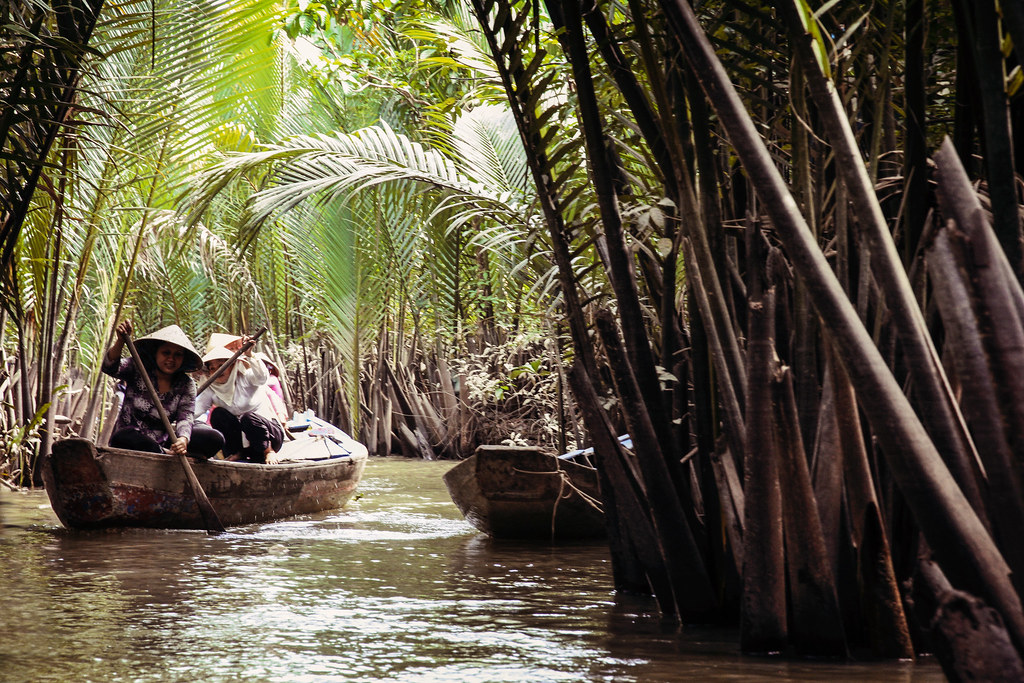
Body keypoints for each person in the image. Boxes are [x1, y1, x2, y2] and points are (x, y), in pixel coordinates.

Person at [103, 320, 219, 457]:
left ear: (183, 358)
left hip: (163, 441)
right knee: (124, 436)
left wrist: (183, 439)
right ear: (156, 353)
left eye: (177, 355)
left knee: (214, 438)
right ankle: (162, 453)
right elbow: (109, 367)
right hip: (131, 439)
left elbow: (186, 416)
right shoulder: (138, 367)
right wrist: (120, 342)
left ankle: (171, 451)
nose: (171, 359)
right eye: (166, 353)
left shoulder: (186, 384)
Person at [194, 336, 284, 464]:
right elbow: (195, 410)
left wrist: (250, 355)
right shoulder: (212, 389)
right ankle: (236, 452)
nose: (218, 370)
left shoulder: (246, 377)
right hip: (243, 442)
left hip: (269, 435)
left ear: (232, 365)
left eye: (221, 365)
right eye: (213, 368)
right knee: (218, 414)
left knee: (248, 418)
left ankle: (268, 452)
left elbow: (262, 378)